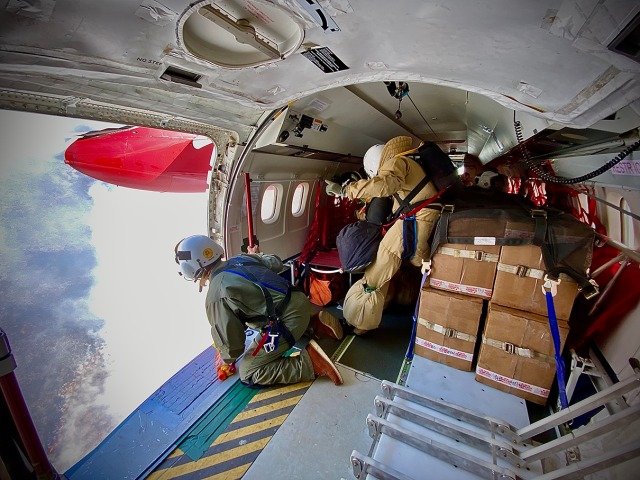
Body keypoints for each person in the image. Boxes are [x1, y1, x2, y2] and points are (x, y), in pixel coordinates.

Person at [175, 235, 344, 386]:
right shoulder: (241, 259)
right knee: (272, 316)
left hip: (288, 320)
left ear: (192, 269)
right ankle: (314, 323)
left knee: (249, 371)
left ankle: (311, 363)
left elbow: (233, 344)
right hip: (299, 301)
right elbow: (276, 262)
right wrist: (254, 256)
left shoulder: (215, 296)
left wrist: (226, 359)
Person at [325, 136, 440, 333]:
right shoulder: (409, 164)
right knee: (389, 269)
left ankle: (356, 324)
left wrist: (347, 190)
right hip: (418, 220)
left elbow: (385, 185)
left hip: (414, 222)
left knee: (375, 274)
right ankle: (378, 309)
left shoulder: (397, 163)